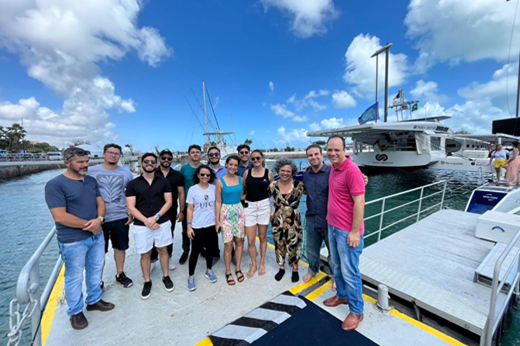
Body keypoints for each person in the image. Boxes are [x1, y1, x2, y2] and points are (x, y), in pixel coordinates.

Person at [45, 147, 114, 330]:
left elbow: (100, 203)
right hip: (73, 239)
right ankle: (75, 312)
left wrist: (99, 220)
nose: (85, 165)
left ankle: (93, 300)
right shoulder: (55, 185)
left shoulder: (90, 181)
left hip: (96, 235)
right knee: (74, 276)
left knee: (95, 269)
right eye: (80, 162)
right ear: (67, 163)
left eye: (86, 161)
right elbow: (59, 216)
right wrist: (90, 225)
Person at [323, 135, 366, 332]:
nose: (332, 153)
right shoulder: (332, 167)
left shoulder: (352, 170)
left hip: (347, 231)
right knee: (337, 267)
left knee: (350, 272)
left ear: (344, 150)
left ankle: (356, 311)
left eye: (336, 150)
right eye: (329, 150)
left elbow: (360, 202)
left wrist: (355, 232)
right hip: (332, 225)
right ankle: (341, 295)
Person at [126, 153, 174, 300]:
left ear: (156, 163)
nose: (149, 163)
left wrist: (156, 218)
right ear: (141, 164)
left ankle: (166, 276)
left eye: (152, 161)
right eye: (146, 161)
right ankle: (147, 281)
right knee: (145, 253)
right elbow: (131, 207)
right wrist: (147, 221)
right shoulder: (133, 184)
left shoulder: (163, 182)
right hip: (142, 225)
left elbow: (169, 202)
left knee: (163, 250)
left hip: (162, 222)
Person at [88, 143, 134, 288]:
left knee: (120, 247)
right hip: (98, 218)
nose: (113, 155)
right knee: (98, 251)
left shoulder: (126, 173)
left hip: (120, 216)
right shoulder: (90, 171)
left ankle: (120, 273)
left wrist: (130, 212)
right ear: (104, 154)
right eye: (110, 152)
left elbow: (130, 194)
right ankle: (98, 280)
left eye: (116, 153)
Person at [268, 158, 305, 283]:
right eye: (282, 171)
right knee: (279, 243)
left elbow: (317, 191)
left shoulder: (299, 186)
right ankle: (281, 267)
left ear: (292, 172)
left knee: (294, 243)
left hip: (293, 219)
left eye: (288, 171)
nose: (285, 173)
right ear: (278, 171)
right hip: (277, 219)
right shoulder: (272, 186)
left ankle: (295, 268)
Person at [302, 144, 334, 283]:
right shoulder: (305, 175)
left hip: (329, 218)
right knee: (311, 249)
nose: (313, 157)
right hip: (311, 217)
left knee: (333, 252)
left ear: (322, 155)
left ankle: (335, 276)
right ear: (307, 158)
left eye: (316, 154)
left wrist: (363, 179)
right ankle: (312, 270)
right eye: (310, 155)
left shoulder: (332, 171)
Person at [186, 165, 219, 291]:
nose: (205, 177)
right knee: (194, 251)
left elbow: (217, 204)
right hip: (197, 225)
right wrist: (189, 226)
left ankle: (209, 270)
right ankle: (191, 276)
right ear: (198, 175)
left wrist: (217, 221)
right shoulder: (193, 190)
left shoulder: (214, 188)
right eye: (202, 174)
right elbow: (190, 208)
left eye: (208, 175)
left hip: (210, 224)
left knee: (210, 250)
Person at [152, 149, 185, 271]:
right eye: (164, 158)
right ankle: (152, 259)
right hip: (153, 209)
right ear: (159, 159)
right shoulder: (152, 173)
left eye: (169, 158)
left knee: (168, 234)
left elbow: (181, 194)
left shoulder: (177, 175)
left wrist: (181, 211)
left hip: (171, 210)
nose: (166, 160)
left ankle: (169, 256)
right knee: (152, 234)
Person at [242, 150, 273, 278]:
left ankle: (261, 263)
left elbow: (272, 190)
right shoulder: (247, 173)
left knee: (263, 237)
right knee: (250, 240)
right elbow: (243, 188)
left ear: (262, 158)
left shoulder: (268, 173)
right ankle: (253, 264)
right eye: (253, 158)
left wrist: (272, 208)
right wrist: (242, 197)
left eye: (258, 158)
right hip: (250, 206)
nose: (255, 160)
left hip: (264, 205)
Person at [216, 155, 246, 285]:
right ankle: (228, 271)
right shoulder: (219, 181)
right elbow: (218, 201)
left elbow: (241, 196)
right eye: (231, 164)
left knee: (239, 241)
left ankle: (238, 269)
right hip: (225, 213)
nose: (233, 167)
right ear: (226, 165)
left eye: (235, 165)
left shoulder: (241, 179)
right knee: (228, 244)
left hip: (239, 212)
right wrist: (217, 219)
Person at [179, 144, 202, 264]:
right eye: (193, 152)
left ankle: (201, 248)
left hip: (202, 206)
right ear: (189, 154)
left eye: (197, 152)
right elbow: (181, 190)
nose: (195, 154)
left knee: (202, 229)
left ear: (201, 154)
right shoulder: (184, 169)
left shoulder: (204, 168)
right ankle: (186, 250)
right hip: (188, 205)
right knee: (185, 230)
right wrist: (181, 210)